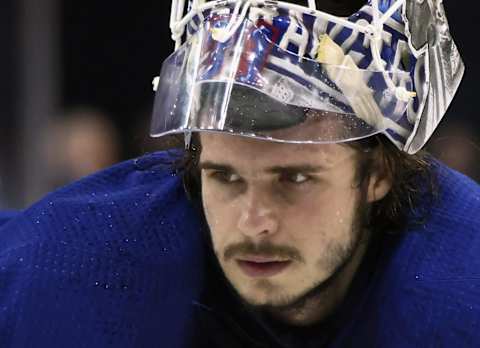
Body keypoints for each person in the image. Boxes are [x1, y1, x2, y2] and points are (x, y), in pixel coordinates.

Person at [0, 0, 478, 347]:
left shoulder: (461, 292)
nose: (254, 222)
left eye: (294, 179)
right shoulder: (73, 267)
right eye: (225, 177)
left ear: (379, 173)